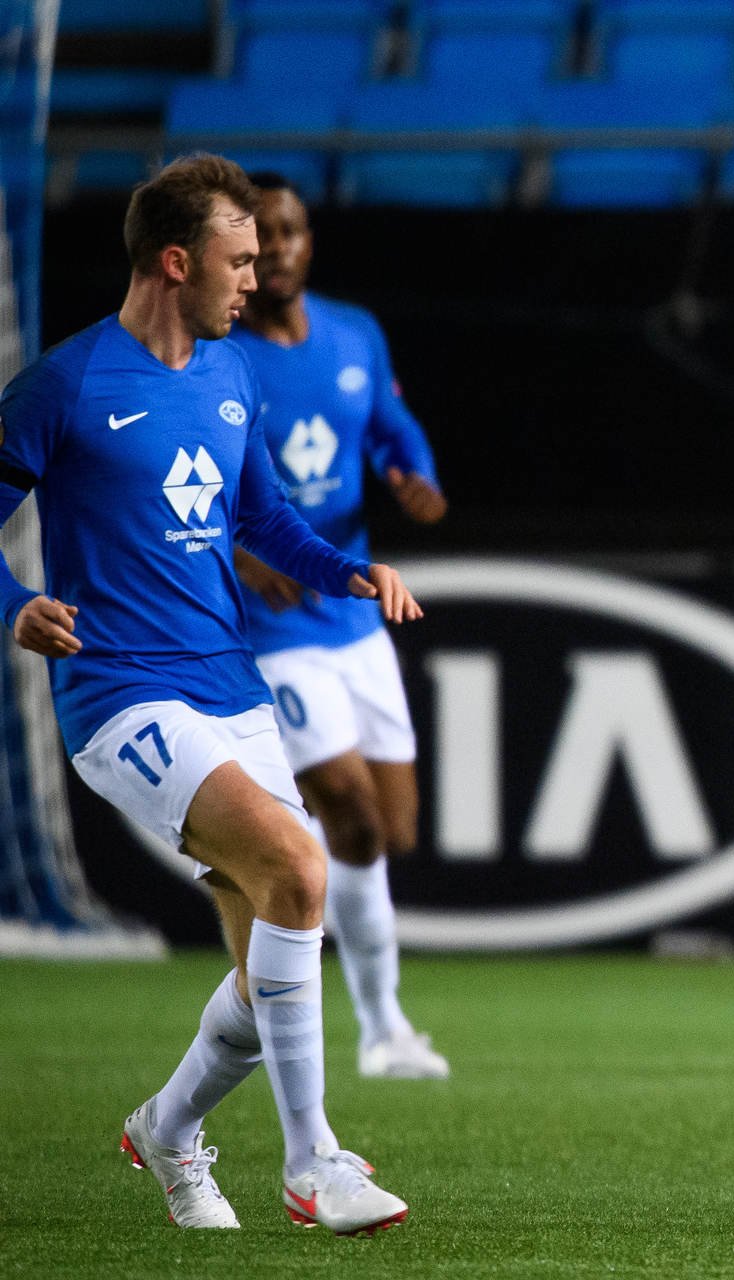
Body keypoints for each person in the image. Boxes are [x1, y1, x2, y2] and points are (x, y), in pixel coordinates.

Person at [0, 154, 424, 1234]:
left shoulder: (230, 375)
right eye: (238, 258)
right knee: (299, 863)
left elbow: (264, 520)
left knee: (264, 968)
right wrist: (13, 601)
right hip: (122, 696)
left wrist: (351, 571)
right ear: (175, 261)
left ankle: (169, 1129)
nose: (258, 274)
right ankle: (313, 1160)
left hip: (231, 686)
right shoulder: (68, 382)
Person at [228, 174, 449, 1080]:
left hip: (355, 618)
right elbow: (195, 485)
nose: (276, 250)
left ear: (308, 241)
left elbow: (394, 430)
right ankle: (379, 1026)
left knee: (390, 829)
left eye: (289, 233)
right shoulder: (223, 357)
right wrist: (241, 558)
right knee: (349, 814)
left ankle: (259, 867)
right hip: (273, 628)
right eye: (257, 240)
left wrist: (414, 477)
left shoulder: (354, 333)